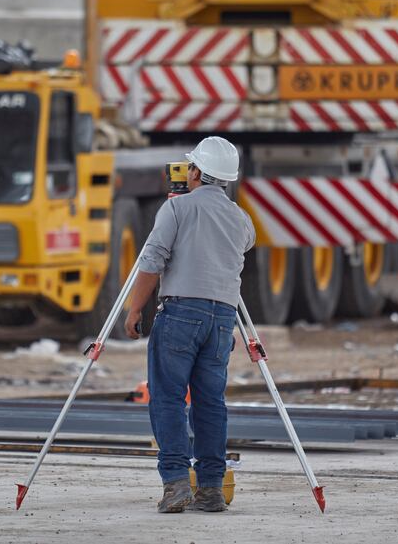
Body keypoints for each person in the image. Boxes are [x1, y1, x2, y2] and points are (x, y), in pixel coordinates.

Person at [123, 136, 256, 513]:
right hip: (221, 320)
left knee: (167, 398)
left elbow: (153, 260)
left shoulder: (176, 210)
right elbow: (243, 244)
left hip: (180, 314)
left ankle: (177, 483)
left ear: (196, 172)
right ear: (227, 179)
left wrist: (135, 310)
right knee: (211, 403)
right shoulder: (240, 218)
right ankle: (211, 488)